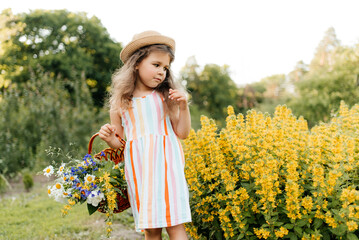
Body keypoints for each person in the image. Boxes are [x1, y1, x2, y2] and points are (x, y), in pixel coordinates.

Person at [99, 30, 192, 240]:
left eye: (166, 68)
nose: (162, 72)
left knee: (175, 224)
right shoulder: (120, 102)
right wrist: (109, 139)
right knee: (151, 229)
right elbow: (119, 144)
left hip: (168, 166)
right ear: (137, 63)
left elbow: (183, 133)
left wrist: (184, 107)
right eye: (156, 65)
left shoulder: (165, 97)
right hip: (140, 169)